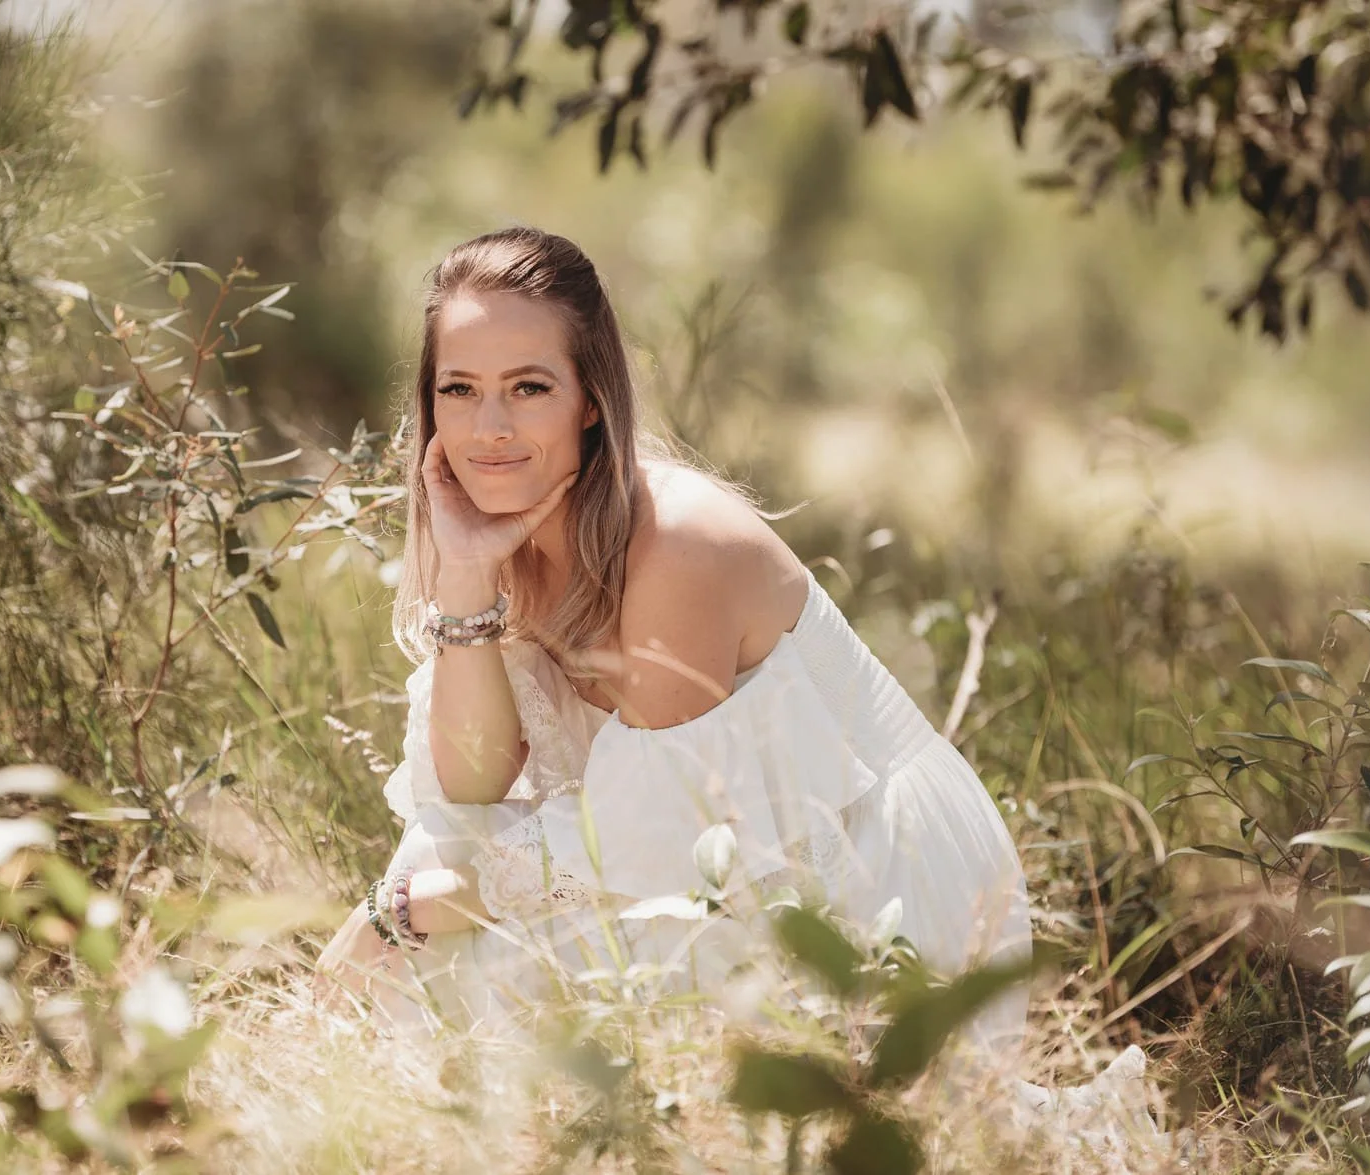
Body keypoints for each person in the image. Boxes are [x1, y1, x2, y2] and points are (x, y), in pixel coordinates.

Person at [313, 226, 1036, 1058]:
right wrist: (469, 578)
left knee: (486, 959)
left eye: (530, 387)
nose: (491, 428)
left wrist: (395, 911)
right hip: (699, 858)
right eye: (461, 389)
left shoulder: (676, 543)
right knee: (444, 856)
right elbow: (470, 787)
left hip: (874, 877)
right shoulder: (499, 531)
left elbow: (651, 837)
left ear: (591, 399)